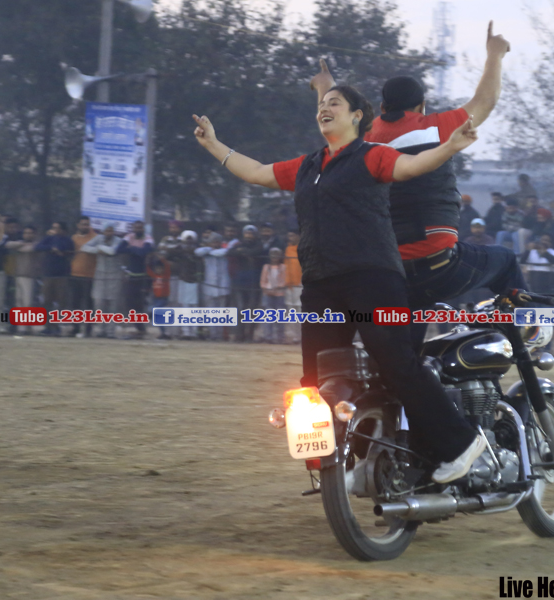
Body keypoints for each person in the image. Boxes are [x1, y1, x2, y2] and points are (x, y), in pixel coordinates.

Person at [191, 83, 486, 483]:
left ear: (356, 116)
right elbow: (258, 173)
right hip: (320, 286)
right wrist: (213, 145)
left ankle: (460, 443)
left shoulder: (372, 156)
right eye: (321, 104)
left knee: (396, 364)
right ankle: (348, 461)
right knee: (315, 380)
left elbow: (412, 166)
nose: (324, 109)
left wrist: (450, 146)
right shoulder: (308, 166)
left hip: (373, 279)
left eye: (334, 103)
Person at [309, 24, 528, 353]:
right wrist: (495, 54)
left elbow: (331, 118)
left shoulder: (359, 139)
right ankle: (527, 334)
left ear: (382, 108)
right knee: (506, 260)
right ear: (422, 106)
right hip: (438, 264)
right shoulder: (435, 128)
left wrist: (324, 86)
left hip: (384, 272)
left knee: (405, 360)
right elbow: (486, 100)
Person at [83, 224, 123, 338]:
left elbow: (112, 251)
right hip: (100, 274)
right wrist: (98, 249)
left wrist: (100, 248)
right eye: (107, 231)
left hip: (114, 275)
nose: (109, 233)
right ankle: (100, 330)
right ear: (103, 231)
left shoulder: (118, 241)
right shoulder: (98, 238)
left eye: (111, 231)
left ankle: (110, 332)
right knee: (99, 302)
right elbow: (84, 247)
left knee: (112, 304)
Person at [35, 221, 74, 336]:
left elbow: (64, 248)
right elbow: (38, 247)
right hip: (48, 274)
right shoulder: (49, 239)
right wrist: (51, 247)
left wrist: (56, 245)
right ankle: (47, 326)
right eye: (53, 227)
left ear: (63, 230)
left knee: (60, 301)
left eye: (57, 228)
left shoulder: (67, 240)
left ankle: (57, 326)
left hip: (61, 275)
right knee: (47, 301)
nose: (54, 230)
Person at [118, 220, 153, 339]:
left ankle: (142, 329)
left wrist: (131, 248)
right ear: (133, 229)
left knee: (140, 304)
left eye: (140, 228)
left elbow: (144, 252)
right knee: (130, 303)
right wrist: (136, 250)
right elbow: (119, 249)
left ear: (143, 229)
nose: (138, 230)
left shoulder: (148, 238)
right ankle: (138, 328)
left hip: (144, 276)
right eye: (136, 228)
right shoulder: (129, 236)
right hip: (131, 276)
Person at [228, 225, 263, 342]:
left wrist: (242, 252)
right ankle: (240, 334)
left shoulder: (259, 244)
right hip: (241, 279)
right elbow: (231, 252)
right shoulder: (239, 244)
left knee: (252, 308)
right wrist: (245, 253)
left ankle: (250, 334)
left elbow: (256, 251)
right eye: (246, 233)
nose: (248, 236)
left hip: (254, 279)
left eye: (251, 234)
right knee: (241, 307)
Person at [5, 226, 42, 331]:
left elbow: (30, 249)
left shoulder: (37, 245)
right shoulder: (19, 243)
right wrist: (22, 244)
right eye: (26, 233)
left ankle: (27, 325)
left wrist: (23, 247)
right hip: (17, 275)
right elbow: (7, 245)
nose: (27, 235)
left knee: (27, 302)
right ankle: (21, 327)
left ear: (34, 234)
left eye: (30, 233)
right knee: (19, 302)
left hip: (29, 277)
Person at [196, 230, 231, 340]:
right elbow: (197, 252)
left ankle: (219, 335)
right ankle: (213, 335)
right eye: (213, 242)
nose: (215, 243)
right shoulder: (205, 251)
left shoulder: (225, 251)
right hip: (209, 286)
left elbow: (221, 253)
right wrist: (209, 249)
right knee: (211, 312)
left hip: (222, 286)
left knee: (221, 312)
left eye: (217, 242)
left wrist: (210, 251)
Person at [167, 230, 202, 339]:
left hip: (194, 281)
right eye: (187, 240)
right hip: (183, 280)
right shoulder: (180, 251)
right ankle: (186, 332)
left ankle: (194, 332)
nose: (189, 242)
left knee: (194, 308)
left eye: (191, 240)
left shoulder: (198, 251)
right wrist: (181, 249)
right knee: (184, 306)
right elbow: (169, 255)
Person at [69, 216, 97, 339]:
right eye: (83, 224)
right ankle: (75, 328)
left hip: (90, 275)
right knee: (75, 303)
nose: (85, 226)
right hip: (75, 274)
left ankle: (88, 329)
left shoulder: (95, 237)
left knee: (89, 304)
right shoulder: (73, 238)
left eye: (87, 224)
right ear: (78, 225)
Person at [260, 247, 288, 343]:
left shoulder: (283, 267)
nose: (274, 256)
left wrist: (277, 287)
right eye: (272, 254)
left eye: (277, 254)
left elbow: (284, 280)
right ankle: (268, 337)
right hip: (267, 294)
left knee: (280, 316)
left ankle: (280, 337)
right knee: (268, 316)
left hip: (279, 294)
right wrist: (267, 288)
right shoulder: (266, 267)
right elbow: (263, 280)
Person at [147, 250, 171, 339]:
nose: (159, 270)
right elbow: (148, 270)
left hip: (163, 298)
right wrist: (148, 261)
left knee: (154, 310)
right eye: (157, 269)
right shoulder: (155, 276)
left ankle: (150, 314)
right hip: (156, 298)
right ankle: (163, 332)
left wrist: (162, 260)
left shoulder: (165, 276)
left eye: (160, 269)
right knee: (158, 316)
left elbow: (167, 267)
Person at [283, 229, 303, 343]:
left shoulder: (303, 248)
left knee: (300, 309)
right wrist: (286, 281)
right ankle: (294, 335)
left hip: (300, 284)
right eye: (289, 236)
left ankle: (302, 334)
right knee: (290, 310)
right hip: (289, 285)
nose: (290, 238)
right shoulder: (288, 249)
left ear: (298, 236)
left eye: (292, 236)